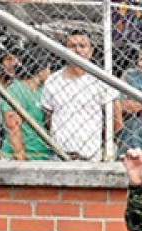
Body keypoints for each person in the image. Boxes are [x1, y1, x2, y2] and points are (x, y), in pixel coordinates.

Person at [41, 30, 122, 160]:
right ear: (64, 50)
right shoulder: (52, 81)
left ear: (91, 51)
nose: (77, 50)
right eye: (72, 46)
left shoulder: (102, 81)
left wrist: (102, 144)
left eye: (82, 46)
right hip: (59, 155)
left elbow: (116, 121)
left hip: (91, 155)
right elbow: (47, 118)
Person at [0, 49, 51, 161]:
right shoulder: (16, 89)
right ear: (40, 69)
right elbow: (13, 127)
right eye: (48, 68)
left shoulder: (41, 91)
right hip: (20, 155)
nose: (49, 72)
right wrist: (21, 159)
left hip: (41, 154)